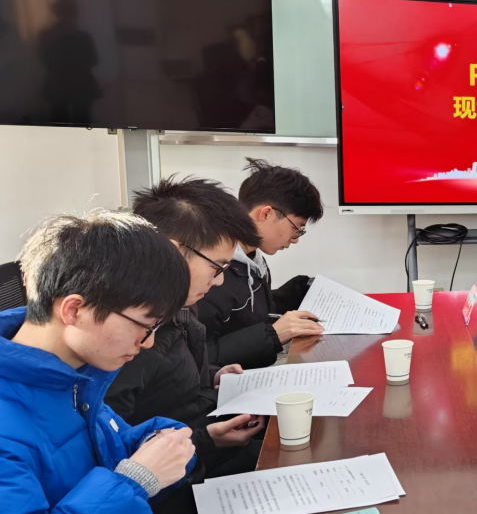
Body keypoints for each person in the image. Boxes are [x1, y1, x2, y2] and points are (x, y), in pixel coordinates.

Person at [0, 212, 196, 513]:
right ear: (74, 310)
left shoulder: (73, 376)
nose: (148, 342)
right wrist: (135, 482)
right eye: (145, 325)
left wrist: (159, 440)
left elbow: (106, 445)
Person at [105, 177, 267, 509]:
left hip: (197, 450)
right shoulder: (124, 338)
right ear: (174, 251)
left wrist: (211, 374)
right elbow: (116, 451)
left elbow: (168, 380)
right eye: (217, 267)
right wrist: (205, 440)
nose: (219, 281)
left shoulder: (179, 307)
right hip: (170, 489)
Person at [198, 157, 325, 369]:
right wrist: (273, 335)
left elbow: (246, 316)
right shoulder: (210, 271)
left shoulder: (253, 259)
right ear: (266, 214)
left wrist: (296, 293)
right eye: (297, 228)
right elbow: (200, 357)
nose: (295, 239)